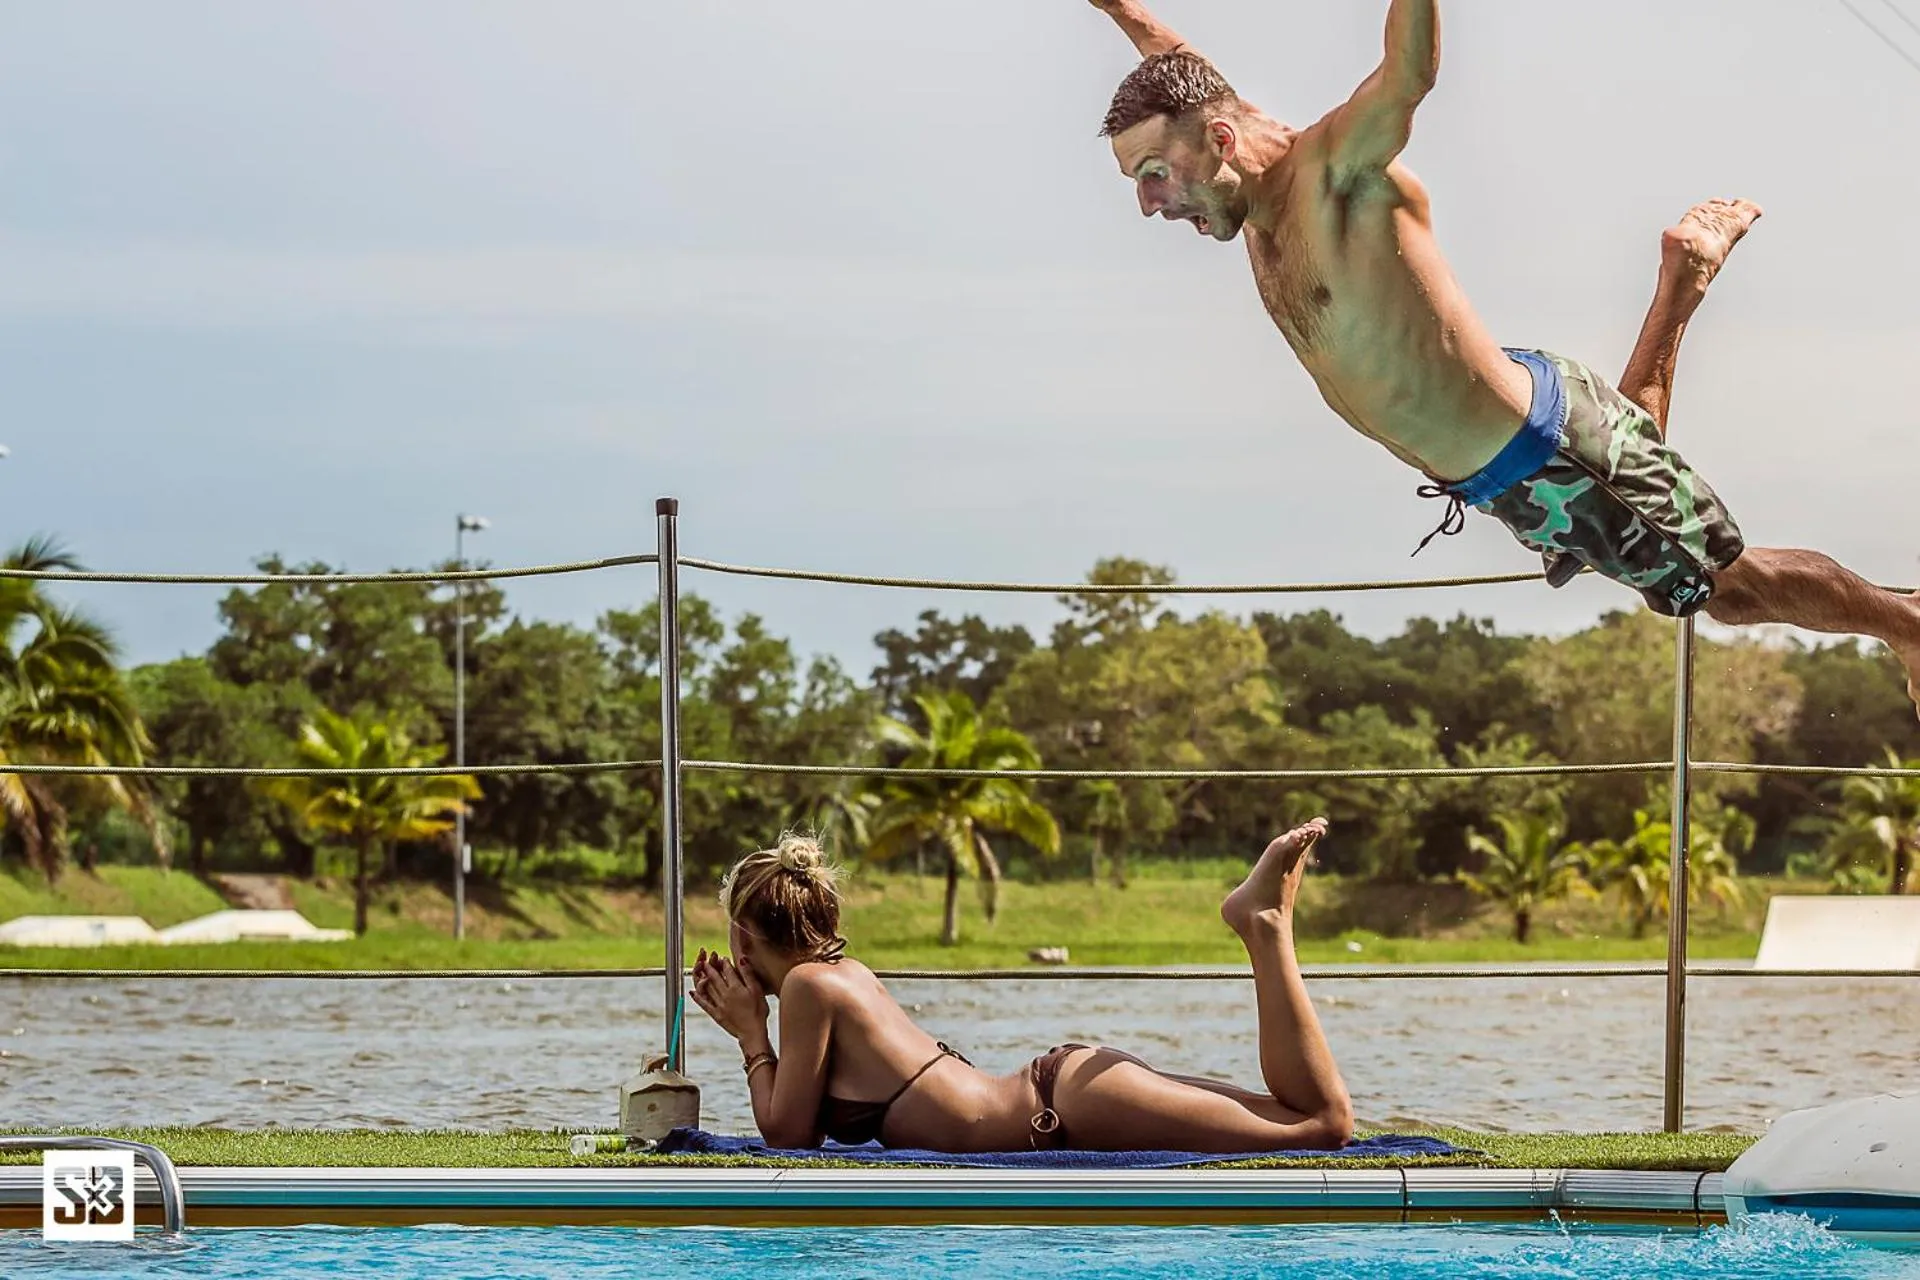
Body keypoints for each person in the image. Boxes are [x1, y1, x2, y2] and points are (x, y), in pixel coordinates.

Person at [1083, 0, 1920, 718]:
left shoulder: (1333, 173)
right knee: (1631, 483)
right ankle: (1684, 274)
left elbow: (1407, 76)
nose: (1150, 203)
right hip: (1500, 457)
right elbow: (1177, 67)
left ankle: (1907, 626)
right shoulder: (1242, 182)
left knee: (1727, 589)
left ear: (1221, 139)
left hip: (1534, 445)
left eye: (1154, 175)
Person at [688, 824, 1354, 1153]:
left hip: (1068, 1105)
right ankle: (1263, 923)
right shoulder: (839, 977)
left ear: (744, 939)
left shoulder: (809, 987)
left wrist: (751, 1035)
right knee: (1296, 1113)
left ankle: (1264, 926)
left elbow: (788, 1138)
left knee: (1321, 1128)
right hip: (1068, 1091)